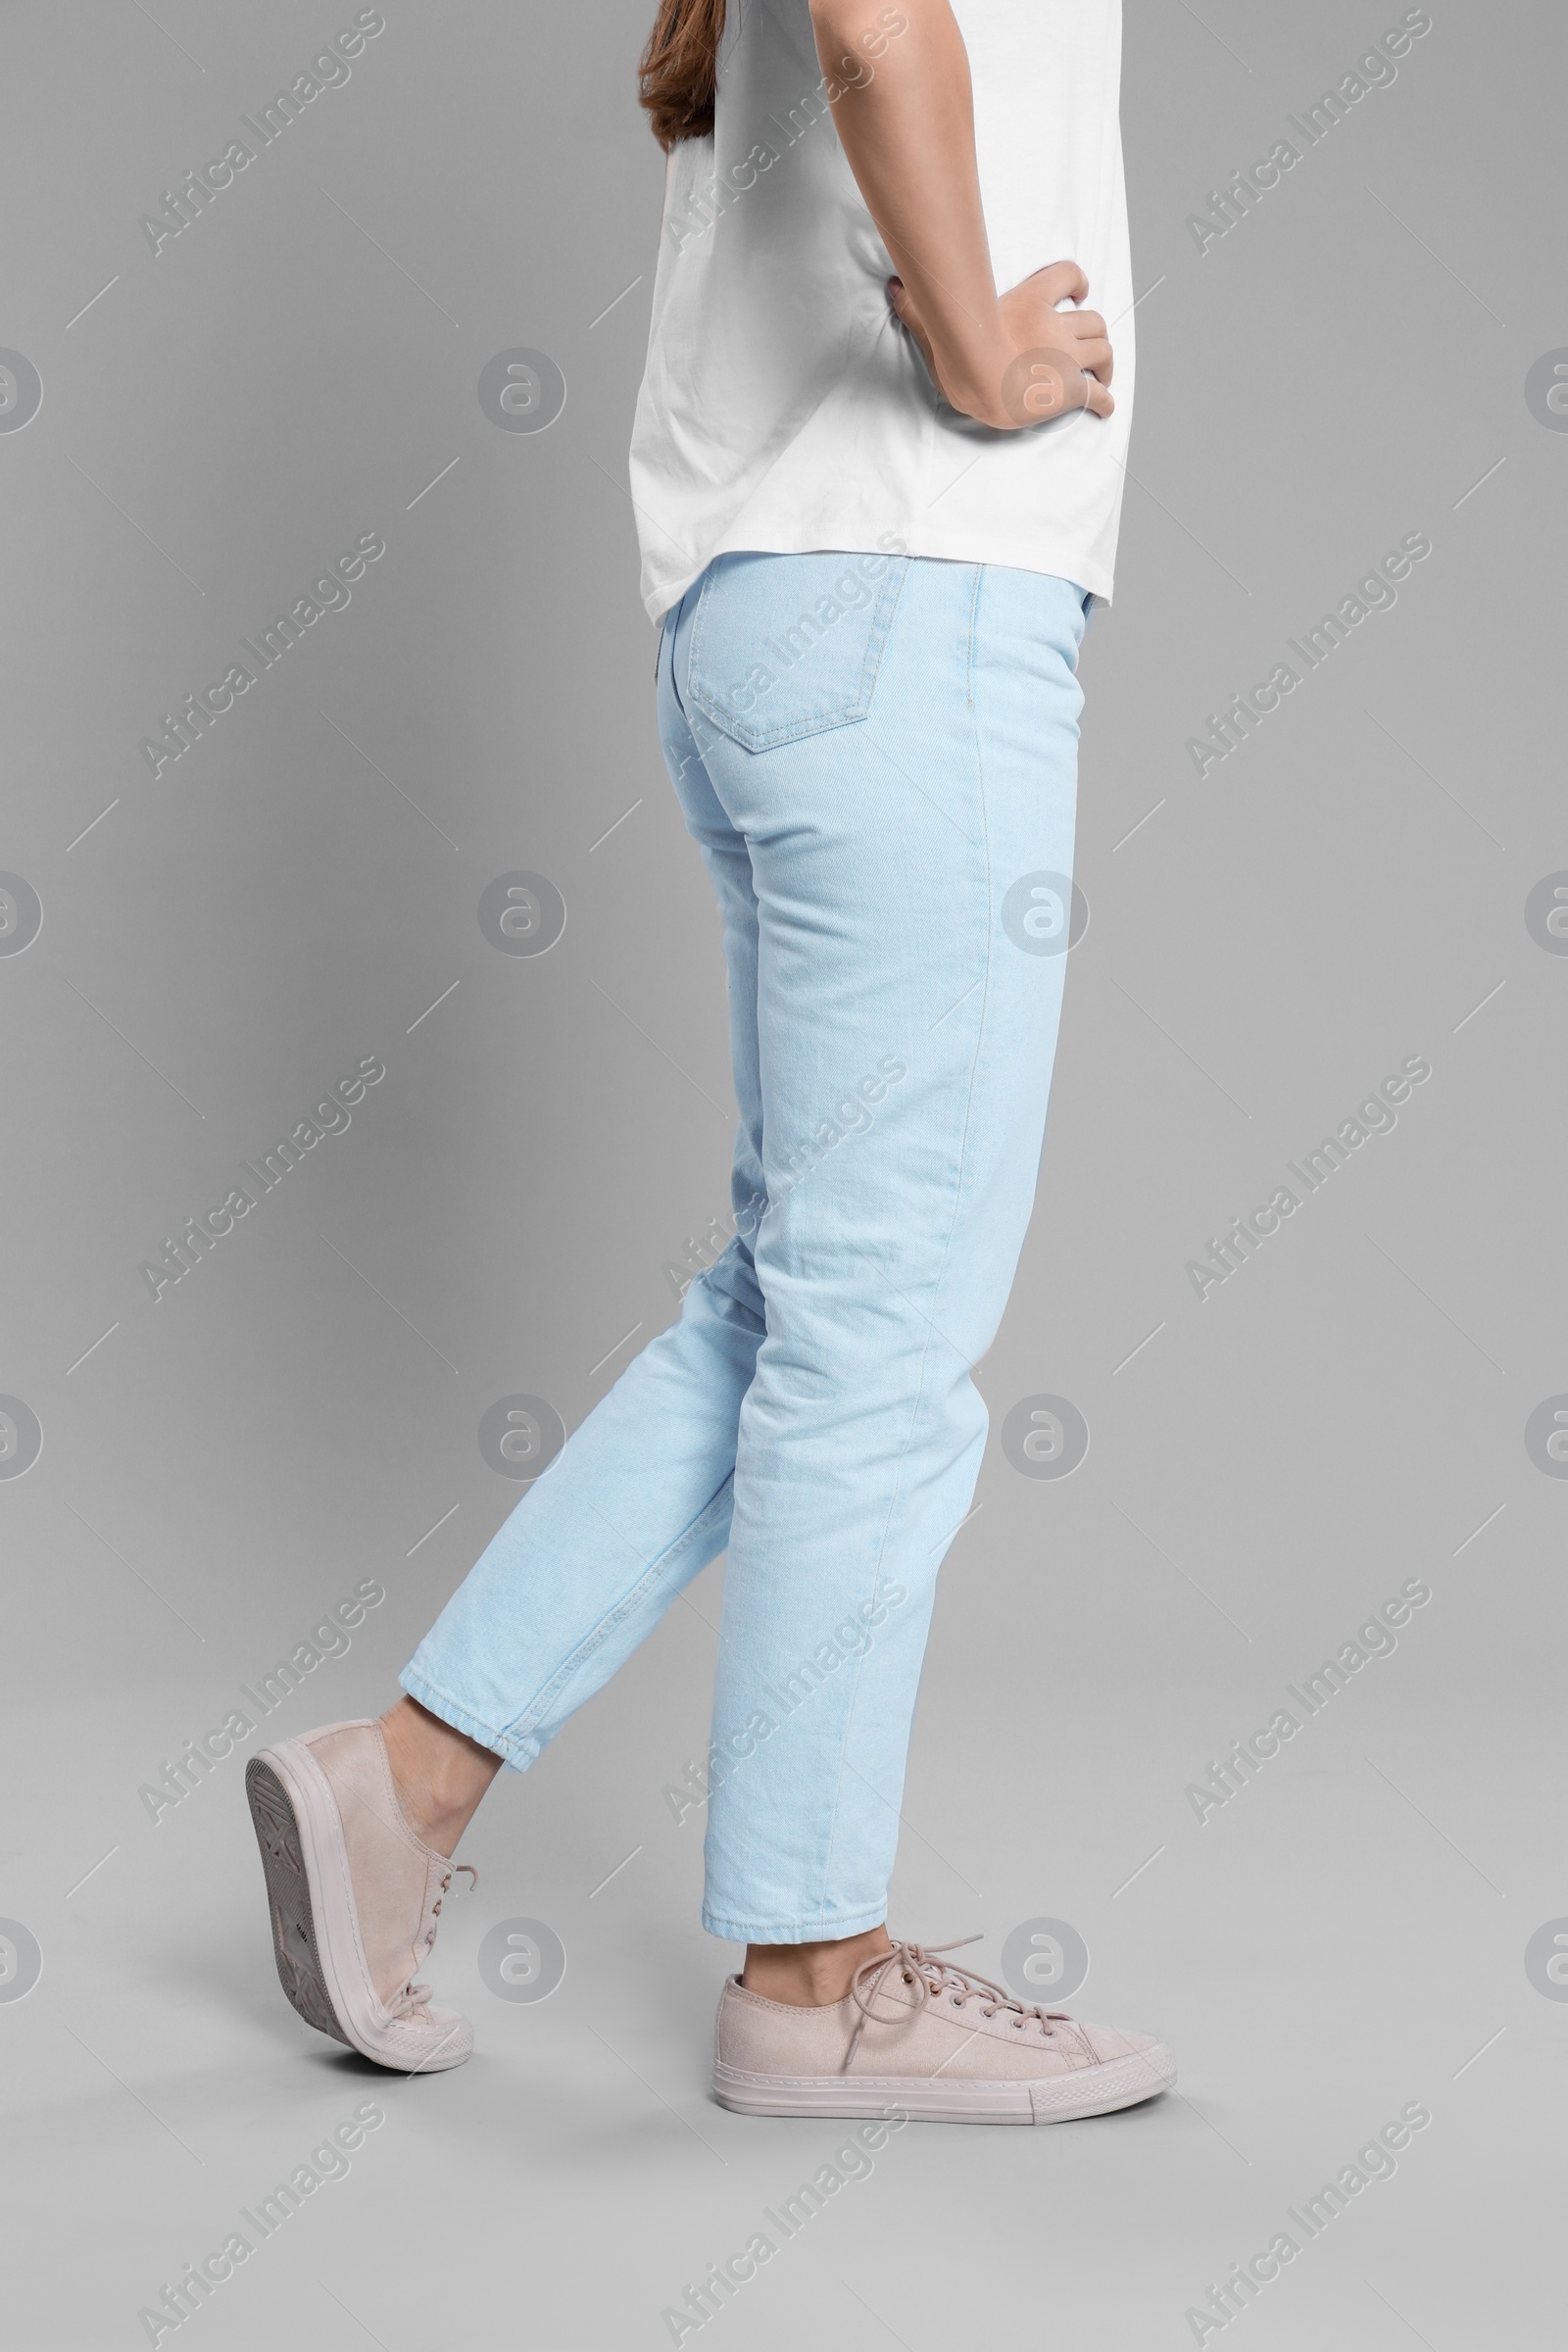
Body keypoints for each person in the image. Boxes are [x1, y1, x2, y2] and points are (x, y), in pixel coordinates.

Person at [245, 0, 1175, 2124]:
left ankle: (400, 1786)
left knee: (792, 1303)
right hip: (914, 594)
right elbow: (878, 19)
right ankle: (812, 1970)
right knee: (882, 1330)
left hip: (766, 613)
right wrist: (977, 350)